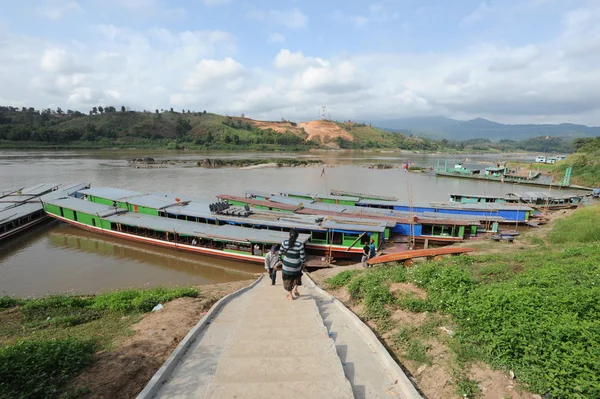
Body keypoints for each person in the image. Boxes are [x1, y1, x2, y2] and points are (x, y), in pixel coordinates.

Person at [279, 228, 306, 300]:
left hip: (286, 267)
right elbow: (302, 257)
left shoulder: (284, 243)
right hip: (296, 267)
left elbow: (279, 254)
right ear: (297, 236)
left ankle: (290, 295)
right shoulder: (300, 245)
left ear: (289, 235)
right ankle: (295, 289)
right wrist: (302, 264)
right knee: (297, 277)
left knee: (288, 281)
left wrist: (281, 260)